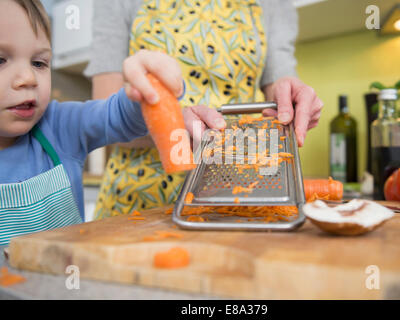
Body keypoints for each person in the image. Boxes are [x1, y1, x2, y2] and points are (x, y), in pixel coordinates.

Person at [85, 0, 323, 219]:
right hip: (136, 199)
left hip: (233, 191)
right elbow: (104, 114)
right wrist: (173, 127)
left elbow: (279, 85)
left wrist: (289, 98)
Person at [0, 0, 184, 245]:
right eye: (0, 60)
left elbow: (116, 115)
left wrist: (149, 87)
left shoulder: (59, 126)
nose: (28, 78)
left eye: (39, 63)